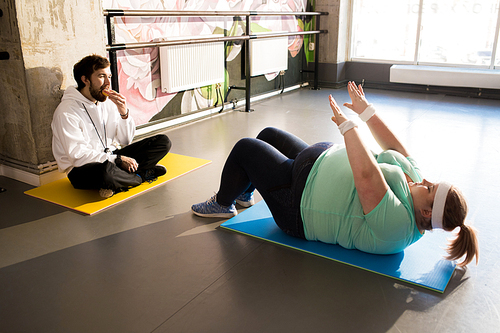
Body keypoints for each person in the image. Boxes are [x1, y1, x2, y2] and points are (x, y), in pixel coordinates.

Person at [192, 81, 479, 267]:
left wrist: (349, 128)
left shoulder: (396, 225)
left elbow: (366, 177)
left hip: (298, 202)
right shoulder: (415, 184)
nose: (426, 181)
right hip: (315, 163)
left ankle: (222, 204)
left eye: (430, 189)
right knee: (268, 134)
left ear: (427, 214)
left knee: (246, 149)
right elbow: (396, 148)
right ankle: (243, 194)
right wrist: (367, 112)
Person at [52, 54, 172, 198]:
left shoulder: (107, 102)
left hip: (112, 156)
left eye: (109, 76)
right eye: (102, 76)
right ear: (85, 80)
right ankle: (139, 176)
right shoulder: (66, 112)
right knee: (106, 173)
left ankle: (121, 180)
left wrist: (124, 114)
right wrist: (117, 160)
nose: (108, 82)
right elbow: (77, 157)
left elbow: (125, 141)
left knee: (162, 142)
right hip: (83, 168)